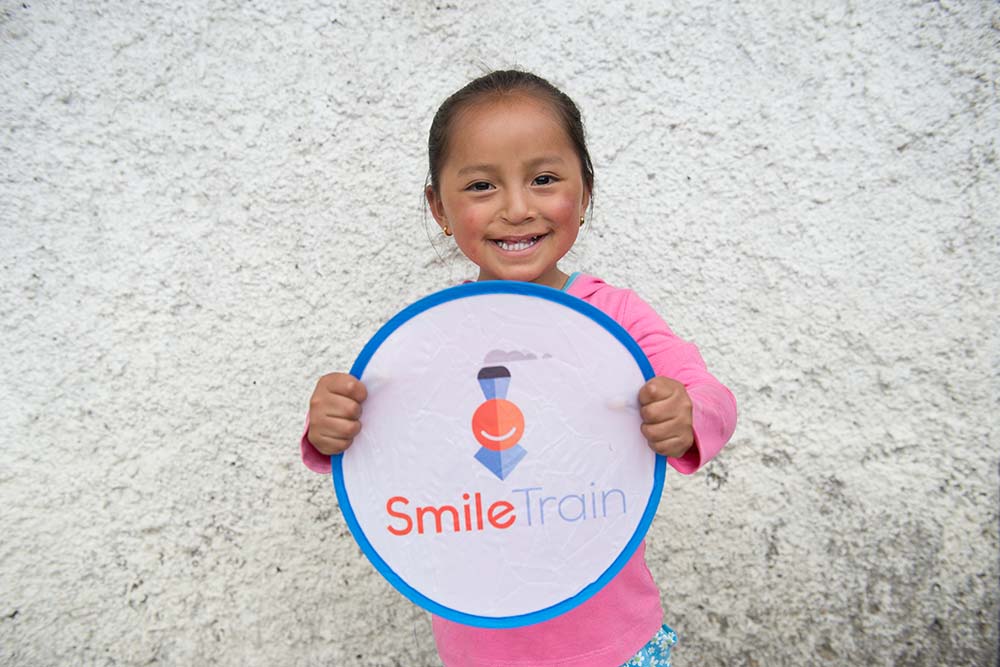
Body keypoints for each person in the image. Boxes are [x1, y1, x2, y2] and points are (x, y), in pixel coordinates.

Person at [301, 70, 737, 667]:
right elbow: (384, 447)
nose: (515, 207)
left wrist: (686, 415)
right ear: (439, 208)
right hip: (479, 649)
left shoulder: (614, 318)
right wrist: (330, 429)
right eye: (481, 185)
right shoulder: (426, 337)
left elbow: (707, 394)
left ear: (584, 192)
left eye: (544, 179)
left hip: (618, 646)